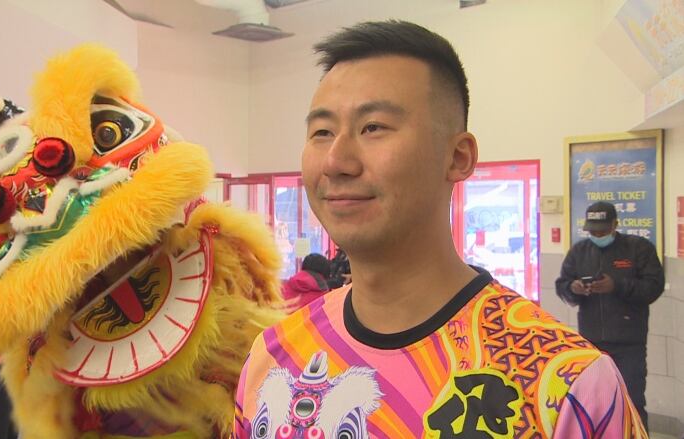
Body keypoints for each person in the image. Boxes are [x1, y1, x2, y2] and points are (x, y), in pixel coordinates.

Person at [233, 20, 648, 438]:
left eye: (372, 127)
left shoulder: (567, 384)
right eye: (321, 132)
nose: (336, 161)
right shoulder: (272, 359)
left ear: (458, 157)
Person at [555, 201, 664, 430]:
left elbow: (654, 287)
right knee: (595, 405)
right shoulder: (579, 251)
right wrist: (573, 289)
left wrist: (617, 286)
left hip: (629, 344)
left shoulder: (638, 248)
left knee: (631, 403)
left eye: (602, 230)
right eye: (593, 231)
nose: (597, 235)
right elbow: (562, 284)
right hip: (591, 345)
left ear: (615, 224)